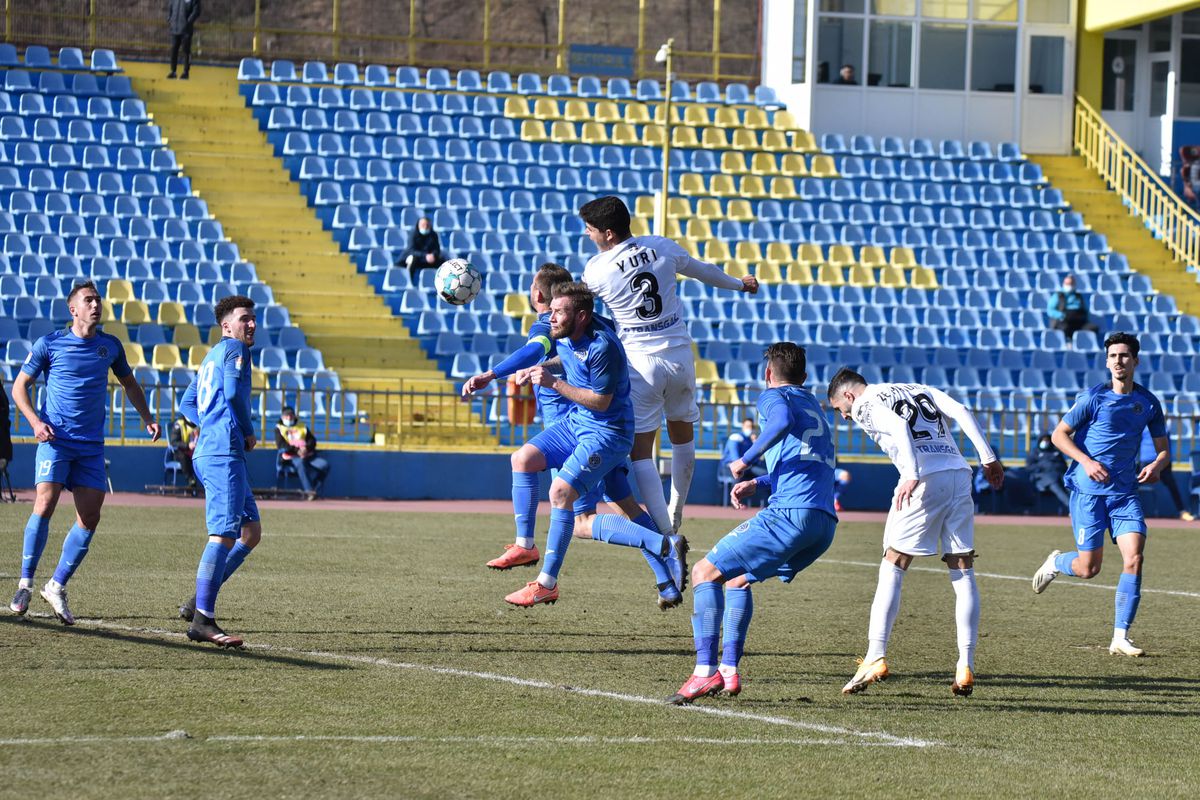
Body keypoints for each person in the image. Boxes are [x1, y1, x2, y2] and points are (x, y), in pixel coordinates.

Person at [667, 343, 838, 704]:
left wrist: (745, 460)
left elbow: (780, 422)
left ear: (768, 374)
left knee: (703, 572)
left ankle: (702, 672)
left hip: (789, 515)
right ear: (805, 378)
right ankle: (727, 669)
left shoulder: (774, 398)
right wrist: (759, 483)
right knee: (739, 580)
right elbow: (808, 463)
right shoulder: (818, 410)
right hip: (823, 523)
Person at [580, 195, 759, 536]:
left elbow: (581, 310)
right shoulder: (661, 246)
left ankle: (664, 528)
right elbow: (703, 271)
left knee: (641, 452)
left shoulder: (597, 269)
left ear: (608, 233)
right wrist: (740, 284)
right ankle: (677, 512)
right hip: (679, 354)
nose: (588, 235)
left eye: (590, 230)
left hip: (639, 362)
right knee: (683, 437)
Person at [501, 283, 687, 608]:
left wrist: (552, 382)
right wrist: (541, 367)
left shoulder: (603, 346)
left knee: (566, 500)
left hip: (607, 434)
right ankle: (665, 578)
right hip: (578, 425)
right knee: (524, 459)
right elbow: (569, 359)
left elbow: (601, 402)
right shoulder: (572, 334)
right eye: (552, 310)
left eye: (559, 312)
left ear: (582, 315)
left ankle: (546, 582)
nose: (552, 318)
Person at [827, 368, 1003, 697]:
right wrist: (988, 458)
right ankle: (966, 663)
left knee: (893, 564)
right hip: (958, 473)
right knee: (962, 568)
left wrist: (910, 472)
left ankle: (875, 656)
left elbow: (896, 424)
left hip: (923, 479)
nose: (846, 417)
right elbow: (961, 411)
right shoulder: (918, 387)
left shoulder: (865, 403)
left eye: (841, 410)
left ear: (849, 396)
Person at [7, 281, 161, 623]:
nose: (96, 305)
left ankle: (56, 585)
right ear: (73, 309)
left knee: (90, 518)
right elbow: (20, 387)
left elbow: (129, 383)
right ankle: (25, 583)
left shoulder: (110, 346)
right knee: (45, 503)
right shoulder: (49, 343)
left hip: (91, 446)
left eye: (98, 300)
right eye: (88, 300)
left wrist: (147, 417)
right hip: (56, 440)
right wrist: (34, 422)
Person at [1031, 332, 1168, 658]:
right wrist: (1086, 461)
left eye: (1124, 356)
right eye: (1113, 356)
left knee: (1134, 558)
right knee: (1088, 568)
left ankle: (1120, 636)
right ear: (1107, 362)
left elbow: (1163, 451)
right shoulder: (1093, 398)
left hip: (1124, 494)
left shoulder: (1148, 403)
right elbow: (1058, 435)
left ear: (1135, 360)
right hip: (1089, 493)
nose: (1118, 361)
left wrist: (1157, 465)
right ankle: (1057, 562)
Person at [176, 295, 262, 648]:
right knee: (223, 535)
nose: (252, 324)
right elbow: (232, 394)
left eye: (254, 319)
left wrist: (206, 424)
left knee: (250, 532)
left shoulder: (210, 356)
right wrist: (247, 429)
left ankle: (199, 601)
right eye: (245, 319)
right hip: (223, 451)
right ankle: (203, 620)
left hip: (215, 450)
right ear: (227, 326)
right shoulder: (234, 351)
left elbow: (186, 404)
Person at [1138, 428, 1194, 521]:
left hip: (1162, 463)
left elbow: (1168, 446)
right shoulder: (1142, 426)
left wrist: (1168, 461)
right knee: (1135, 485)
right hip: (1146, 461)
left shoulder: (1164, 427)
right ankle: (1124, 509)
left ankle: (1182, 511)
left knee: (1173, 487)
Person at [276, 405, 330, 499]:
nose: (289, 418)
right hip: (291, 457)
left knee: (325, 465)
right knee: (301, 464)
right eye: (286, 416)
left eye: (291, 415)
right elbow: (281, 445)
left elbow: (312, 440)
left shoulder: (302, 426)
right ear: (282, 417)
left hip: (307, 455)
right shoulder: (279, 428)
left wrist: (306, 448)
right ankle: (309, 492)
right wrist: (297, 451)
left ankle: (315, 489)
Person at [1046, 274, 1099, 342]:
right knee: (1065, 329)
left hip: (1079, 322)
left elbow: (1086, 310)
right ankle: (1069, 344)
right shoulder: (1058, 295)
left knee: (1093, 328)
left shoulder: (1078, 296)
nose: (1069, 285)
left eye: (1071, 283)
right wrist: (1061, 315)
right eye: (1067, 283)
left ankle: (1082, 344)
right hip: (1065, 321)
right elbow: (1050, 310)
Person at [1026, 433, 1070, 514]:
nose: (1045, 442)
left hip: (1060, 475)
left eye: (1047, 440)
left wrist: (1055, 466)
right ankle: (1071, 507)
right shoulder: (1035, 452)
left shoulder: (1055, 452)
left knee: (1070, 487)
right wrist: (1042, 465)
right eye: (1043, 440)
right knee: (1057, 487)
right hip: (1044, 478)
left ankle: (1077, 507)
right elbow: (1029, 467)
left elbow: (1064, 465)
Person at [166, 0, 201, 80]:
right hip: (174, 28)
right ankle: (173, 71)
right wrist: (169, 18)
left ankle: (186, 72)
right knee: (173, 49)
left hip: (186, 30)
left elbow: (197, 11)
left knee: (186, 51)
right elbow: (170, 6)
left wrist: (188, 21)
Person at [401, 217, 442, 282]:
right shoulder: (413, 234)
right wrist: (425, 255)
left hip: (428, 260)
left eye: (427, 225)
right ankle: (409, 281)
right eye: (423, 225)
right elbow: (411, 250)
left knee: (442, 262)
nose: (425, 227)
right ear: (418, 225)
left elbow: (437, 249)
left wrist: (433, 255)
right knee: (412, 259)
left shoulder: (433, 234)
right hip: (416, 258)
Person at [169, 412, 199, 491]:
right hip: (181, 452)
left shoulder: (198, 424)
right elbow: (174, 442)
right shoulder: (179, 424)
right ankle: (191, 480)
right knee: (183, 456)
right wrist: (187, 445)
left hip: (195, 451)